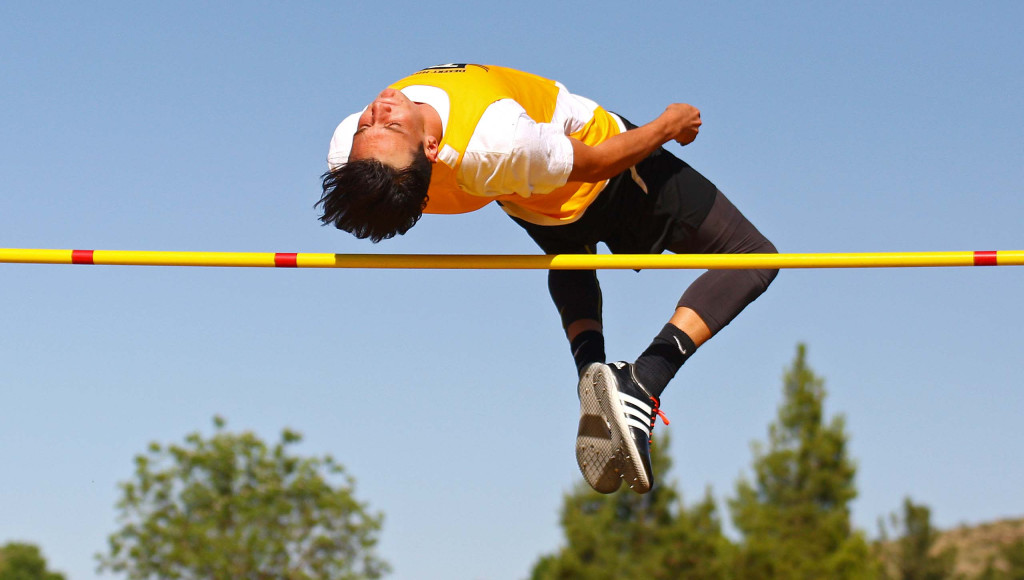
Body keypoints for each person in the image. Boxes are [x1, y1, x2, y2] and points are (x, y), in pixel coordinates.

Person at [318, 63, 777, 494]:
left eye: (370, 125)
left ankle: (590, 376)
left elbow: (369, 194)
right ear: (431, 152)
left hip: (533, 201)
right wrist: (667, 125)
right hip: (610, 171)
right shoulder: (497, 139)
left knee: (569, 256)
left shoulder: (351, 151)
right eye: (389, 126)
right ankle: (643, 382)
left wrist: (374, 141)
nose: (376, 112)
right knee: (753, 257)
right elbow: (597, 163)